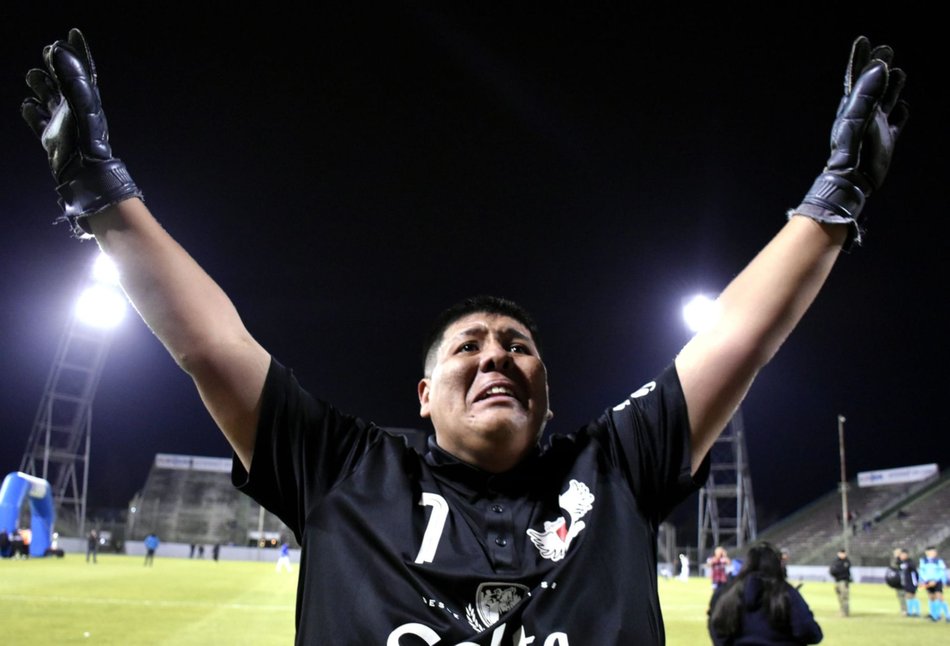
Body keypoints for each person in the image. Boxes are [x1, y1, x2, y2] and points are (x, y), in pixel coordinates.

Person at [20, 28, 908, 645]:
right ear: (424, 397)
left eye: (519, 346)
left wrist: (835, 201)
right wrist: (101, 196)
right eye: (469, 347)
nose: (495, 356)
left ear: (548, 393)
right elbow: (209, 344)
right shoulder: (344, 468)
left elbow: (737, 341)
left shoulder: (614, 468)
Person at [708, 541, 823, 645]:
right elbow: (808, 632)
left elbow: (717, 629)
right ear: (777, 565)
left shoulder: (726, 593)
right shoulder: (787, 593)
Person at [918, 546, 948, 622]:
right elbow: (922, 572)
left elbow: (942, 572)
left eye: (934, 552)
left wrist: (935, 580)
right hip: (928, 582)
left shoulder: (938, 561)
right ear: (927, 552)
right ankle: (934, 615)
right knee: (931, 598)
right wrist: (925, 580)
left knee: (940, 598)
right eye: (932, 552)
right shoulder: (923, 561)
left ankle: (948, 616)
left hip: (937, 582)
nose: (934, 553)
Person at [897, 548, 921, 617]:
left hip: (911, 583)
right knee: (909, 597)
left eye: (903, 554)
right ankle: (911, 612)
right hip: (906, 583)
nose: (902, 556)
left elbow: (915, 573)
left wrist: (916, 582)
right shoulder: (902, 562)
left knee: (911, 597)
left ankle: (916, 612)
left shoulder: (910, 563)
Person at [829, 548, 852, 617]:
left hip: (843, 581)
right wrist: (835, 571)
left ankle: (845, 613)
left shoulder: (846, 562)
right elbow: (832, 570)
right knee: (839, 597)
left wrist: (836, 570)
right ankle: (841, 611)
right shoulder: (835, 561)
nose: (841, 554)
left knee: (844, 597)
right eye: (840, 553)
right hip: (837, 581)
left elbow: (842, 570)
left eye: (843, 553)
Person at [888, 547, 907, 615]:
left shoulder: (901, 561)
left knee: (903, 595)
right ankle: (903, 609)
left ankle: (905, 610)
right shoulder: (896, 560)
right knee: (900, 595)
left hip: (902, 581)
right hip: (897, 581)